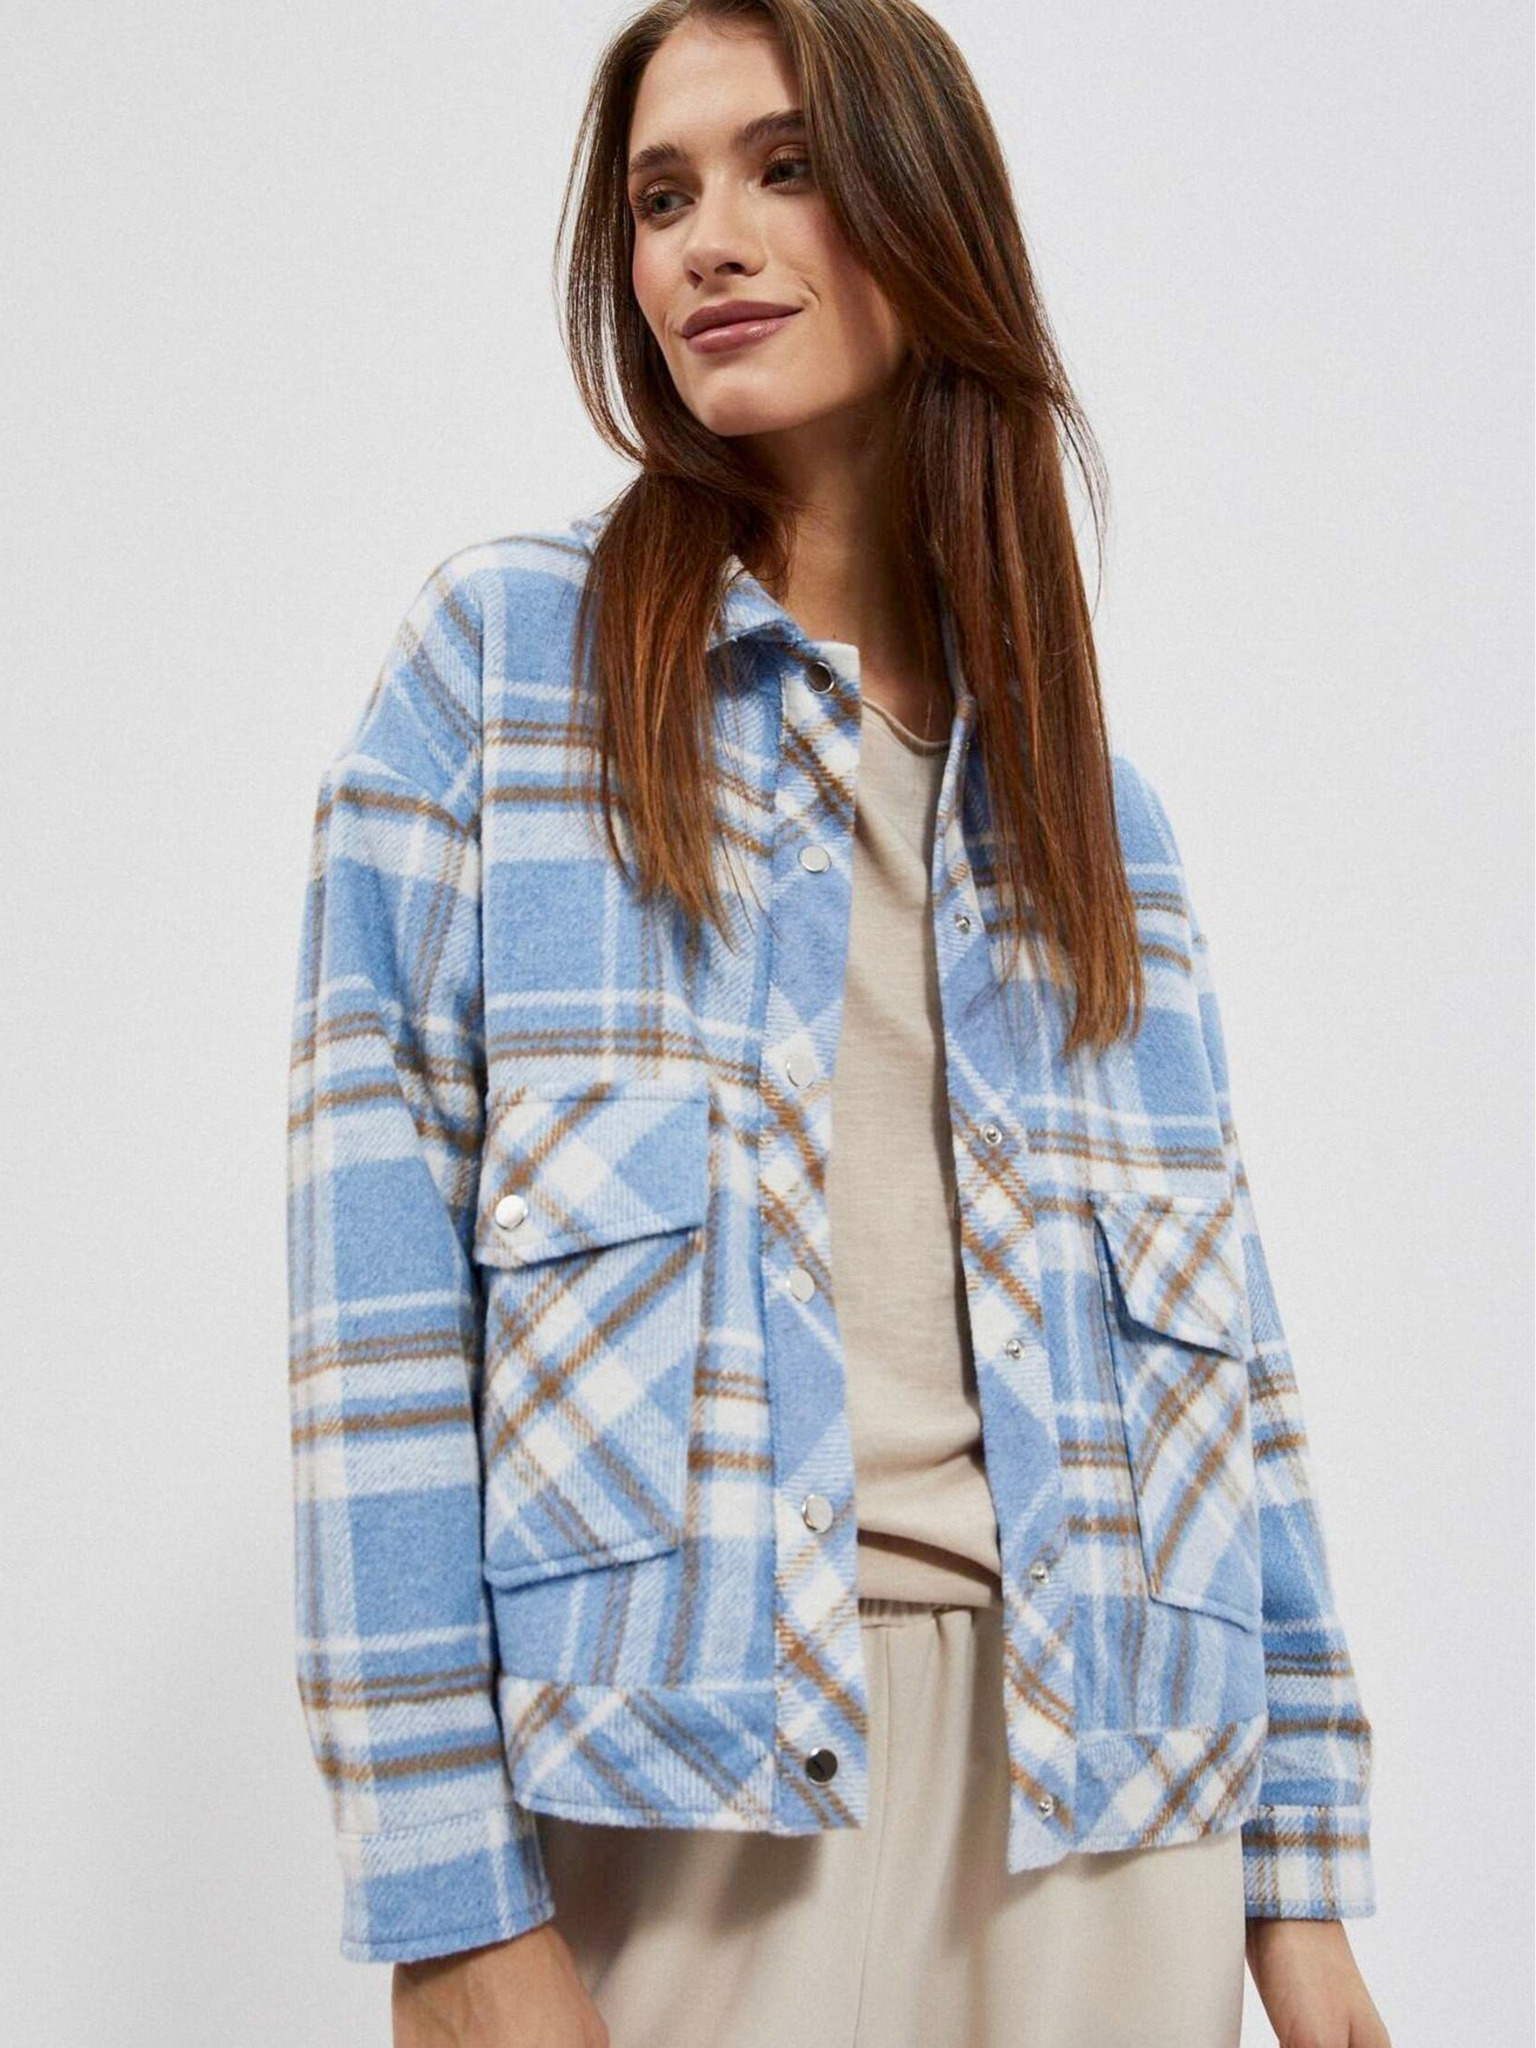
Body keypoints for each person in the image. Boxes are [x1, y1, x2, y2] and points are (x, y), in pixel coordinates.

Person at [285, 2, 1392, 2043]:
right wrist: (448, 1905)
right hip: (698, 1810)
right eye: (660, 196)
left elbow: (1232, 1361)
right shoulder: (503, 674)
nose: (707, 238)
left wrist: (1299, 1886)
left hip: (1115, 1813)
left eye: (784, 168)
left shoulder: (1095, 813)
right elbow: (375, 1322)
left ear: (925, 206)